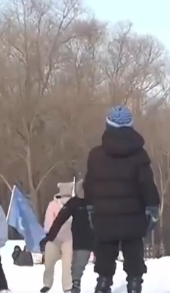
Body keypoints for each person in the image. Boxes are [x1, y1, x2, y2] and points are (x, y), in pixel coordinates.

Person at [84, 106, 160, 293]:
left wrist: (90, 208)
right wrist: (152, 208)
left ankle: (103, 285)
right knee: (133, 252)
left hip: (104, 216)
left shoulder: (96, 155)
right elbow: (147, 184)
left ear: (107, 126)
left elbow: (89, 185)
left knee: (105, 255)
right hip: (132, 216)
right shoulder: (139, 155)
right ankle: (134, 286)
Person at [41, 180, 94, 293]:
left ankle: (102, 282)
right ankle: (72, 283)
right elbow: (59, 219)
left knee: (74, 263)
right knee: (72, 263)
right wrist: (50, 236)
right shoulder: (73, 203)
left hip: (90, 237)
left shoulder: (97, 202)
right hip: (76, 237)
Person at [40, 182, 75, 293]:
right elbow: (49, 220)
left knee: (67, 264)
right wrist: (49, 234)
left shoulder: (74, 205)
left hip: (69, 238)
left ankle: (67, 286)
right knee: (49, 262)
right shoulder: (53, 205)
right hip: (54, 238)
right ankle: (47, 283)